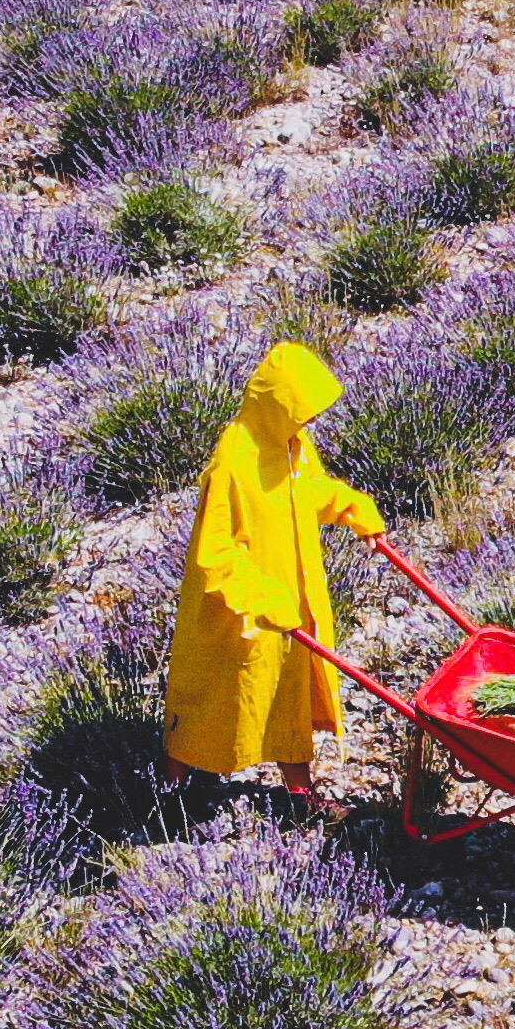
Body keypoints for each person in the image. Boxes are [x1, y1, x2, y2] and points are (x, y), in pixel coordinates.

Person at [164, 340, 386, 806]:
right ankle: (169, 792)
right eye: (301, 412)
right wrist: (265, 599)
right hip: (235, 614)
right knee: (211, 700)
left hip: (290, 606)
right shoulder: (233, 462)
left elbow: (310, 494)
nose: (309, 423)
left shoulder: (291, 445)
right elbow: (215, 554)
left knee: (290, 696)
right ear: (275, 406)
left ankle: (301, 796)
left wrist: (352, 507)